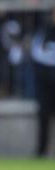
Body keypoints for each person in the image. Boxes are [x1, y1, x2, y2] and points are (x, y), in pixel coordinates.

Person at [31, 9, 55, 157]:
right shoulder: (45, 31)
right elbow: (37, 51)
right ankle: (41, 151)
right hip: (46, 80)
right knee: (44, 116)